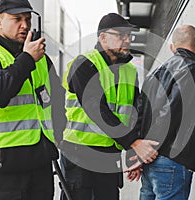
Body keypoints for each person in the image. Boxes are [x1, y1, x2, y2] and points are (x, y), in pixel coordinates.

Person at [0, 0, 65, 199]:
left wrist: (58, 134)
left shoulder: (41, 59)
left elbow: (57, 97)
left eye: (28, 19)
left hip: (40, 163)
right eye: (17, 19)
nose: (25, 25)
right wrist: (27, 59)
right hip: (3, 166)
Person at [59, 13, 159, 200]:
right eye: (121, 35)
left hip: (109, 155)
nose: (127, 40)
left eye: (129, 35)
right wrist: (135, 143)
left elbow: (132, 113)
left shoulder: (130, 71)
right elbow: (97, 109)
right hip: (80, 153)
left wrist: (132, 152)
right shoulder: (84, 64)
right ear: (103, 37)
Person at [127, 25, 195, 200]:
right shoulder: (193, 69)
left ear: (172, 47)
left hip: (150, 161)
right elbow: (169, 113)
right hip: (172, 161)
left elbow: (139, 114)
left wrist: (141, 153)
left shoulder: (154, 73)